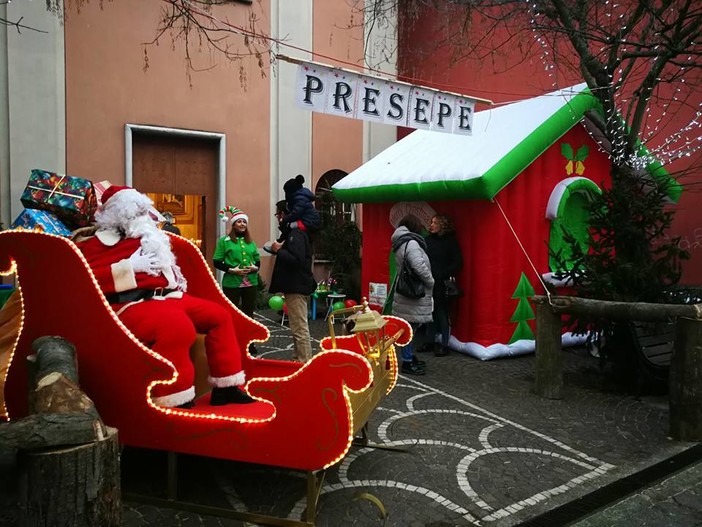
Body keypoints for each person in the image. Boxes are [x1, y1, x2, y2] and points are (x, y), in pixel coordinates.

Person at [76, 186, 255, 408]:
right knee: (176, 327)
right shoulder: (95, 244)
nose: (143, 217)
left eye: (143, 211)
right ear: (117, 214)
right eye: (136, 212)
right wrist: (128, 268)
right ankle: (173, 397)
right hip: (129, 303)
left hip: (167, 298)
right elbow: (86, 280)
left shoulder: (149, 237)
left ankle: (226, 388)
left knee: (219, 316)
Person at [268, 199, 317, 362]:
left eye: (278, 214)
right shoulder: (293, 233)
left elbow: (297, 260)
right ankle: (298, 358)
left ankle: (304, 362)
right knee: (296, 326)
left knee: (300, 328)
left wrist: (278, 251)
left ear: (284, 214)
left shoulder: (295, 234)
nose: (277, 218)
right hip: (294, 285)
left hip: (296, 286)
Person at [213, 206, 261, 355]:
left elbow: (258, 261)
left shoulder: (250, 242)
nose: (242, 224)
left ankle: (249, 344)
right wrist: (232, 270)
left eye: (244, 222)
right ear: (233, 224)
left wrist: (254, 268)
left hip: (250, 283)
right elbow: (216, 261)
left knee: (249, 313)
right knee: (231, 314)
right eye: (239, 222)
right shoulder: (224, 241)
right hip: (232, 283)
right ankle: (230, 343)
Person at [391, 215, 435, 375]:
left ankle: (409, 356)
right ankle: (407, 361)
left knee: (408, 327)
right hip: (413, 293)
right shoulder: (412, 243)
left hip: (405, 293)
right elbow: (418, 265)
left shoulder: (401, 241)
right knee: (409, 328)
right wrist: (430, 281)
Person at [424, 214, 463, 357]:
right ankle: (429, 341)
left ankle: (445, 344)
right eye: (432, 222)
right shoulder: (427, 240)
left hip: (441, 282)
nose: (432, 225)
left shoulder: (450, 242)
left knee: (442, 313)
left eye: (435, 223)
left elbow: (457, 263)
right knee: (429, 312)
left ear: (443, 225)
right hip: (428, 281)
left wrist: (442, 273)